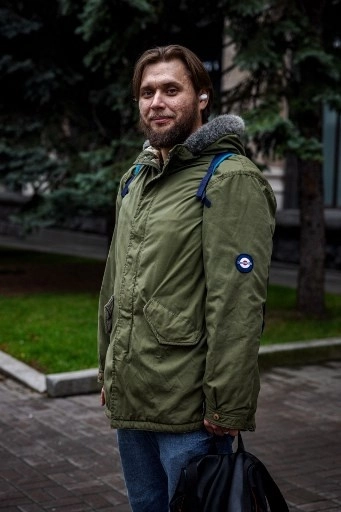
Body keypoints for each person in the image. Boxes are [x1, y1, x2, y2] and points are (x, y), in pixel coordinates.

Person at [97, 44, 276, 511]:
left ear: (201, 97)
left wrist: (228, 405)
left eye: (171, 89)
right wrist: (107, 368)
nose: (156, 101)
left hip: (190, 413)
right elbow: (115, 280)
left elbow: (238, 300)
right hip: (133, 398)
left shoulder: (228, 177)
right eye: (147, 91)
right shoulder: (136, 177)